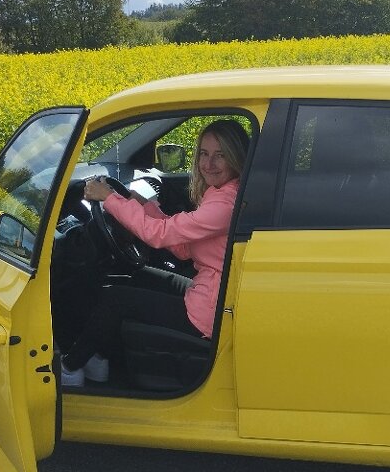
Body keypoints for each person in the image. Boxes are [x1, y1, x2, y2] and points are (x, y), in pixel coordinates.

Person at [60, 118, 249, 386]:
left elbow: (158, 235)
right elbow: (184, 248)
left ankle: (70, 367)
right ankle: (97, 358)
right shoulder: (226, 193)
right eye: (204, 154)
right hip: (210, 290)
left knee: (116, 298)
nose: (208, 164)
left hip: (208, 311)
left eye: (220, 156)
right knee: (137, 275)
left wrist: (110, 199)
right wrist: (142, 205)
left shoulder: (224, 204)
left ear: (236, 158)